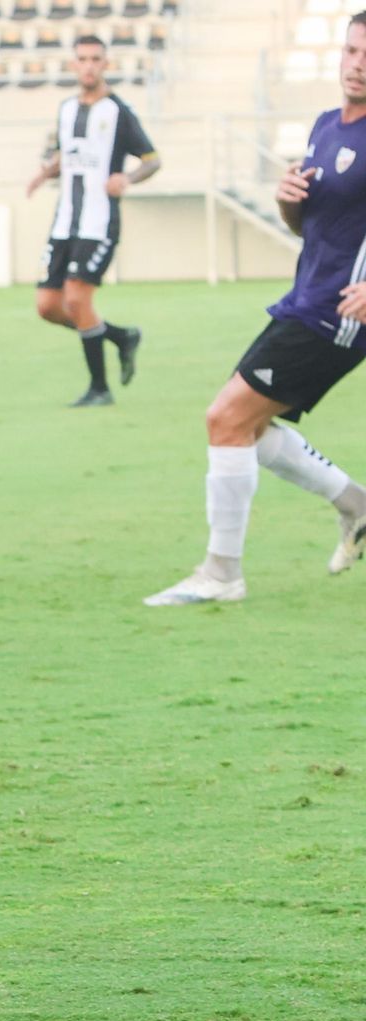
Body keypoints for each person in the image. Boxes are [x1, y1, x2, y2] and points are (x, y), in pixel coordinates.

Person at [145, 14, 366, 606]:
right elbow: (308, 226)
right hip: (305, 298)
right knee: (247, 426)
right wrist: (287, 201)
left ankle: (222, 574)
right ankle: (355, 505)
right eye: (351, 49)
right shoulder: (326, 125)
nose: (357, 63)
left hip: (340, 314)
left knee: (227, 419)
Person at [26, 35, 160, 408]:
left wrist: (128, 178)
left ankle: (99, 388)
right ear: (74, 64)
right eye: (82, 58)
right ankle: (120, 337)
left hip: (99, 222)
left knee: (77, 298)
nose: (88, 65)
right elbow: (67, 154)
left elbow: (152, 159)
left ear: (105, 64)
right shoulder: (66, 109)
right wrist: (44, 173)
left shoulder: (118, 111)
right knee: (48, 307)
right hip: (64, 221)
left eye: (95, 59)